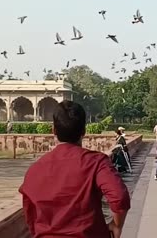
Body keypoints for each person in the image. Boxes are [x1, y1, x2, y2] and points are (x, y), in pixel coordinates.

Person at [19, 100, 130, 238]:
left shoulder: (35, 169)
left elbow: (30, 215)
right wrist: (116, 225)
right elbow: (119, 197)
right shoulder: (96, 162)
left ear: (53, 130)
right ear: (84, 131)